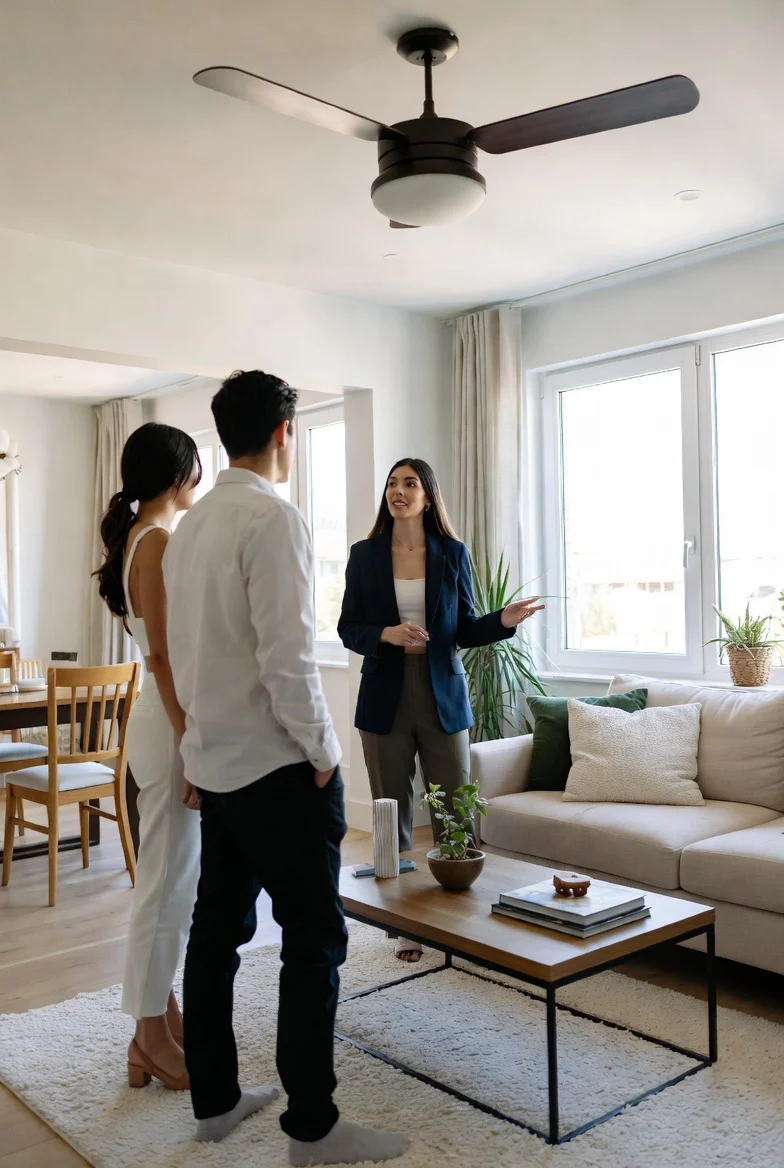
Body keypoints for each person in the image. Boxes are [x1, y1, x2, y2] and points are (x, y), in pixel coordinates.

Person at [164, 370, 406, 1165]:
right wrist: (327, 756)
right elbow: (288, 660)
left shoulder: (190, 527)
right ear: (282, 434)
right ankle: (313, 1128)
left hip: (217, 764)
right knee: (314, 941)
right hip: (275, 770)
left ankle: (217, 1103)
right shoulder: (273, 518)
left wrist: (195, 749)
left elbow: (189, 657)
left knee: (216, 937)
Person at [338, 458, 543, 962]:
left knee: (454, 805)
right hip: (384, 691)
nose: (398, 491)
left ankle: (455, 916)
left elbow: (466, 628)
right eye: (391, 483)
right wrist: (384, 634)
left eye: (409, 484)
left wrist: (504, 621)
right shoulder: (364, 556)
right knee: (391, 811)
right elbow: (348, 627)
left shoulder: (451, 553)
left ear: (428, 496)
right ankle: (402, 920)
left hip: (443, 693)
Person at [94, 422, 203, 1090]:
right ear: (176, 472)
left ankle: (161, 1011)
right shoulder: (157, 541)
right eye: (197, 463)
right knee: (166, 884)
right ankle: (148, 1036)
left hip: (158, 723)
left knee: (167, 879)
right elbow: (164, 657)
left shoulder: (143, 537)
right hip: (168, 729)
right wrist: (190, 742)